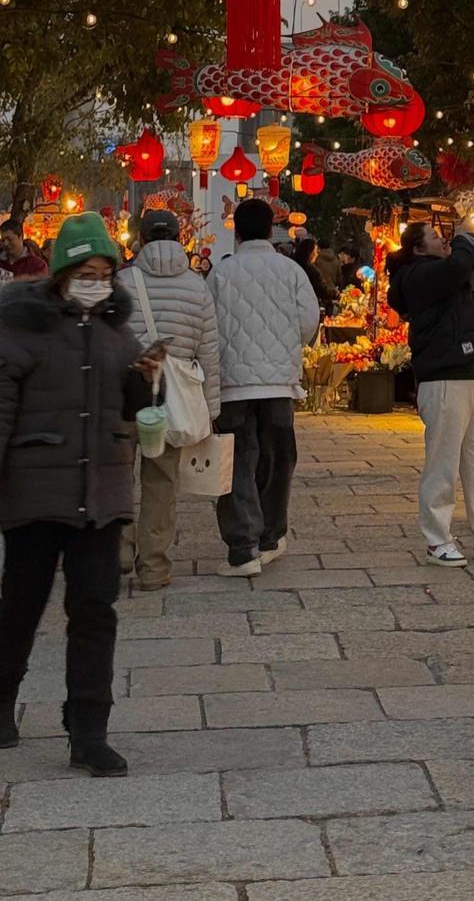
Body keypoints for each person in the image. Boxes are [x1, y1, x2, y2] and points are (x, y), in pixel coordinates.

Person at [0, 212, 165, 776]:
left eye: (104, 272)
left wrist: (144, 378)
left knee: (95, 610)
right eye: (84, 271)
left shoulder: (120, 333)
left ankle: (88, 729)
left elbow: (133, 411)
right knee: (20, 607)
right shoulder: (21, 326)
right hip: (35, 493)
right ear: (61, 273)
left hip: (103, 494)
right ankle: (2, 703)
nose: (96, 281)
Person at [387, 225, 474, 566]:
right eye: (435, 236)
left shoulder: (443, 276)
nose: (443, 239)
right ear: (418, 248)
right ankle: (437, 539)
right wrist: (463, 237)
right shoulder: (419, 275)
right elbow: (459, 264)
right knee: (442, 464)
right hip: (445, 378)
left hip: (472, 377)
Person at [209, 198, 319, 577]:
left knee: (237, 461)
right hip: (278, 382)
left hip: (233, 385)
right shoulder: (290, 270)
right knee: (277, 457)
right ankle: (271, 535)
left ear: (236, 230)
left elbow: (210, 327)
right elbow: (309, 322)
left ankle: (243, 548)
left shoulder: (222, 273)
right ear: (271, 228)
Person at [119, 209, 221, 591]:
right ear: (181, 238)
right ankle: (154, 568)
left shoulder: (122, 282)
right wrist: (211, 410)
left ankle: (120, 551)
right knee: (160, 481)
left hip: (123, 392)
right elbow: (209, 352)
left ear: (141, 240)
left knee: (118, 476)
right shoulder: (197, 287)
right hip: (171, 399)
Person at [293, 235, 336, 318]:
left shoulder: (294, 266)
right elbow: (321, 289)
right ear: (310, 253)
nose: (317, 254)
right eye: (315, 251)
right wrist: (335, 294)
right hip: (310, 307)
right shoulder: (311, 270)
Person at [0, 218, 48, 283]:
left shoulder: (38, 265)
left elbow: (41, 290)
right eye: (3, 240)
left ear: (20, 237)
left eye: (10, 239)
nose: (6, 244)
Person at [312, 236, 342, 301]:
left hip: (320, 290)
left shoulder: (316, 259)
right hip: (332, 289)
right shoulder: (336, 259)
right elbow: (339, 276)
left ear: (318, 246)